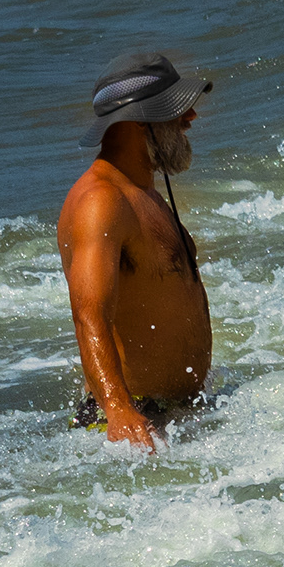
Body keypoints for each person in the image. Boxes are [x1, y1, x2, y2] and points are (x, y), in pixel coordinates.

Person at [58, 50, 214, 451]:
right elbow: (89, 315)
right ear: (136, 122)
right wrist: (118, 409)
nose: (190, 117)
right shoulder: (101, 202)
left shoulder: (142, 192)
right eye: (174, 109)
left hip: (174, 415)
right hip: (136, 422)